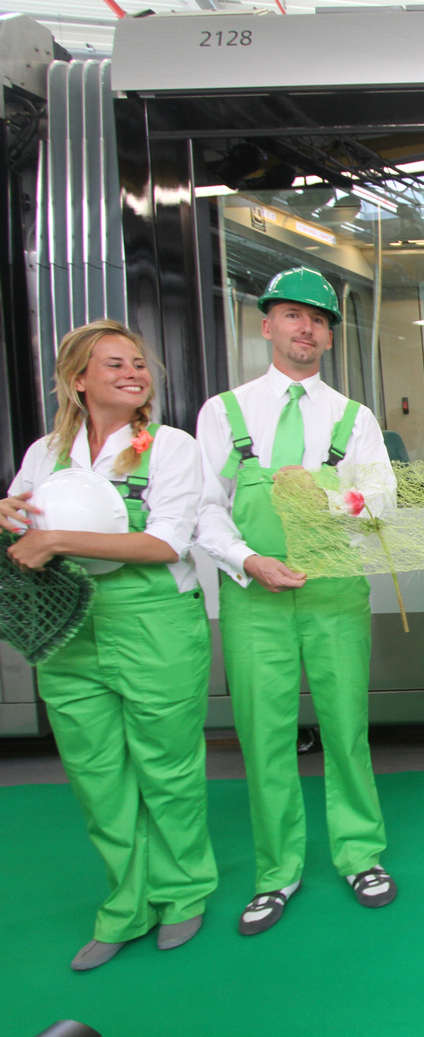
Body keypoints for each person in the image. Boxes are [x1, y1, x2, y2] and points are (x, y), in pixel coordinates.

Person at [2, 320, 215, 970]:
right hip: (66, 623)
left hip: (152, 619)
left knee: (167, 767)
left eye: (138, 363)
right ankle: (126, 903)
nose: (133, 373)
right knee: (96, 774)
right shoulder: (46, 454)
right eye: (115, 364)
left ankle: (183, 891)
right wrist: (6, 514)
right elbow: (22, 520)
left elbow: (167, 541)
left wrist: (56, 540)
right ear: (78, 380)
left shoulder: (171, 447)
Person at [195, 267, 397, 935]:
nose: (304, 327)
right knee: (263, 735)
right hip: (253, 598)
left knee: (345, 728)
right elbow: (205, 508)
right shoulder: (223, 412)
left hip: (334, 592)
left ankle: (360, 853)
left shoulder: (353, 418)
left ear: (330, 337)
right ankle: (276, 870)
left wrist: (326, 498)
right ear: (267, 325)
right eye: (291, 314)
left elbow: (382, 504)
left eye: (317, 319)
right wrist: (247, 560)